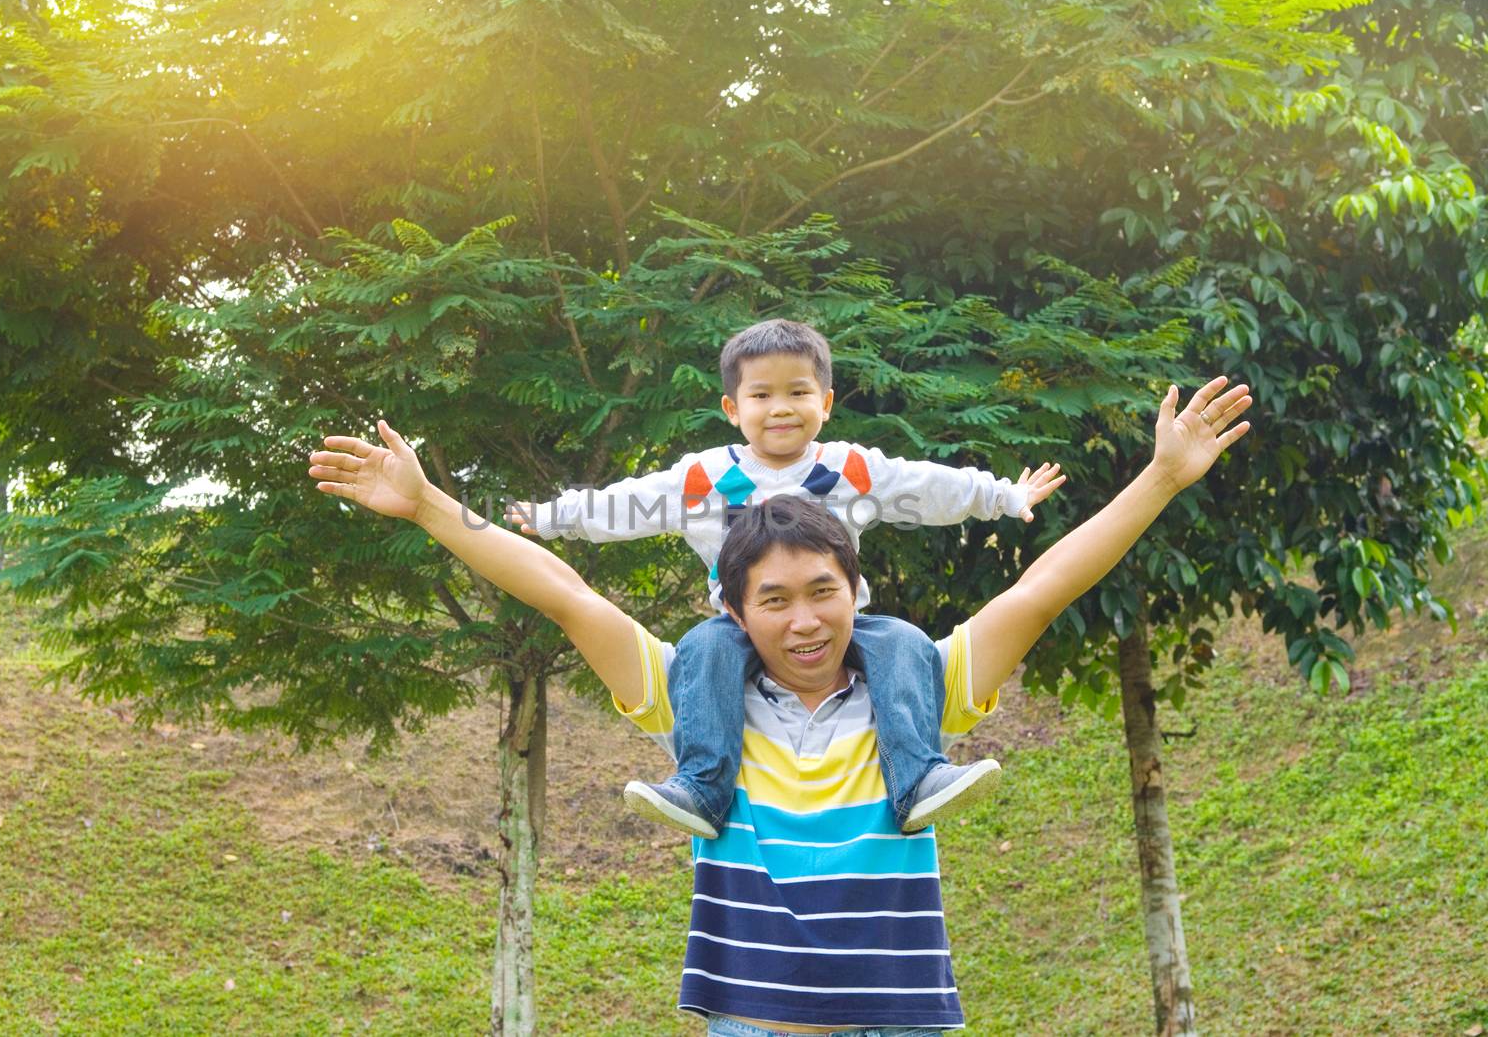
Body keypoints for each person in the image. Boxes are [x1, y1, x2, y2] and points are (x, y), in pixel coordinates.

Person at [307, 376, 1251, 1034]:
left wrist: (1163, 477)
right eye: (773, 600)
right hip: (751, 1023)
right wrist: (434, 509)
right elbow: (567, 595)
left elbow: (1042, 589)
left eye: (822, 591)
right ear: (732, 609)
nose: (804, 621)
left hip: (903, 1020)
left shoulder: (918, 686)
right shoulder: (695, 695)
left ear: (855, 586)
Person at [504, 319, 1065, 839]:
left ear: (824, 402)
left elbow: (930, 487)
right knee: (703, 650)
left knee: (904, 642)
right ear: (732, 407)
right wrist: (555, 517)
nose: (781, 409)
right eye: (761, 395)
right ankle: (701, 787)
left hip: (838, 627)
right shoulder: (705, 477)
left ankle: (918, 778)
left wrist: (1002, 496)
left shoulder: (852, 469)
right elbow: (630, 503)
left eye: (798, 393)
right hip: (738, 627)